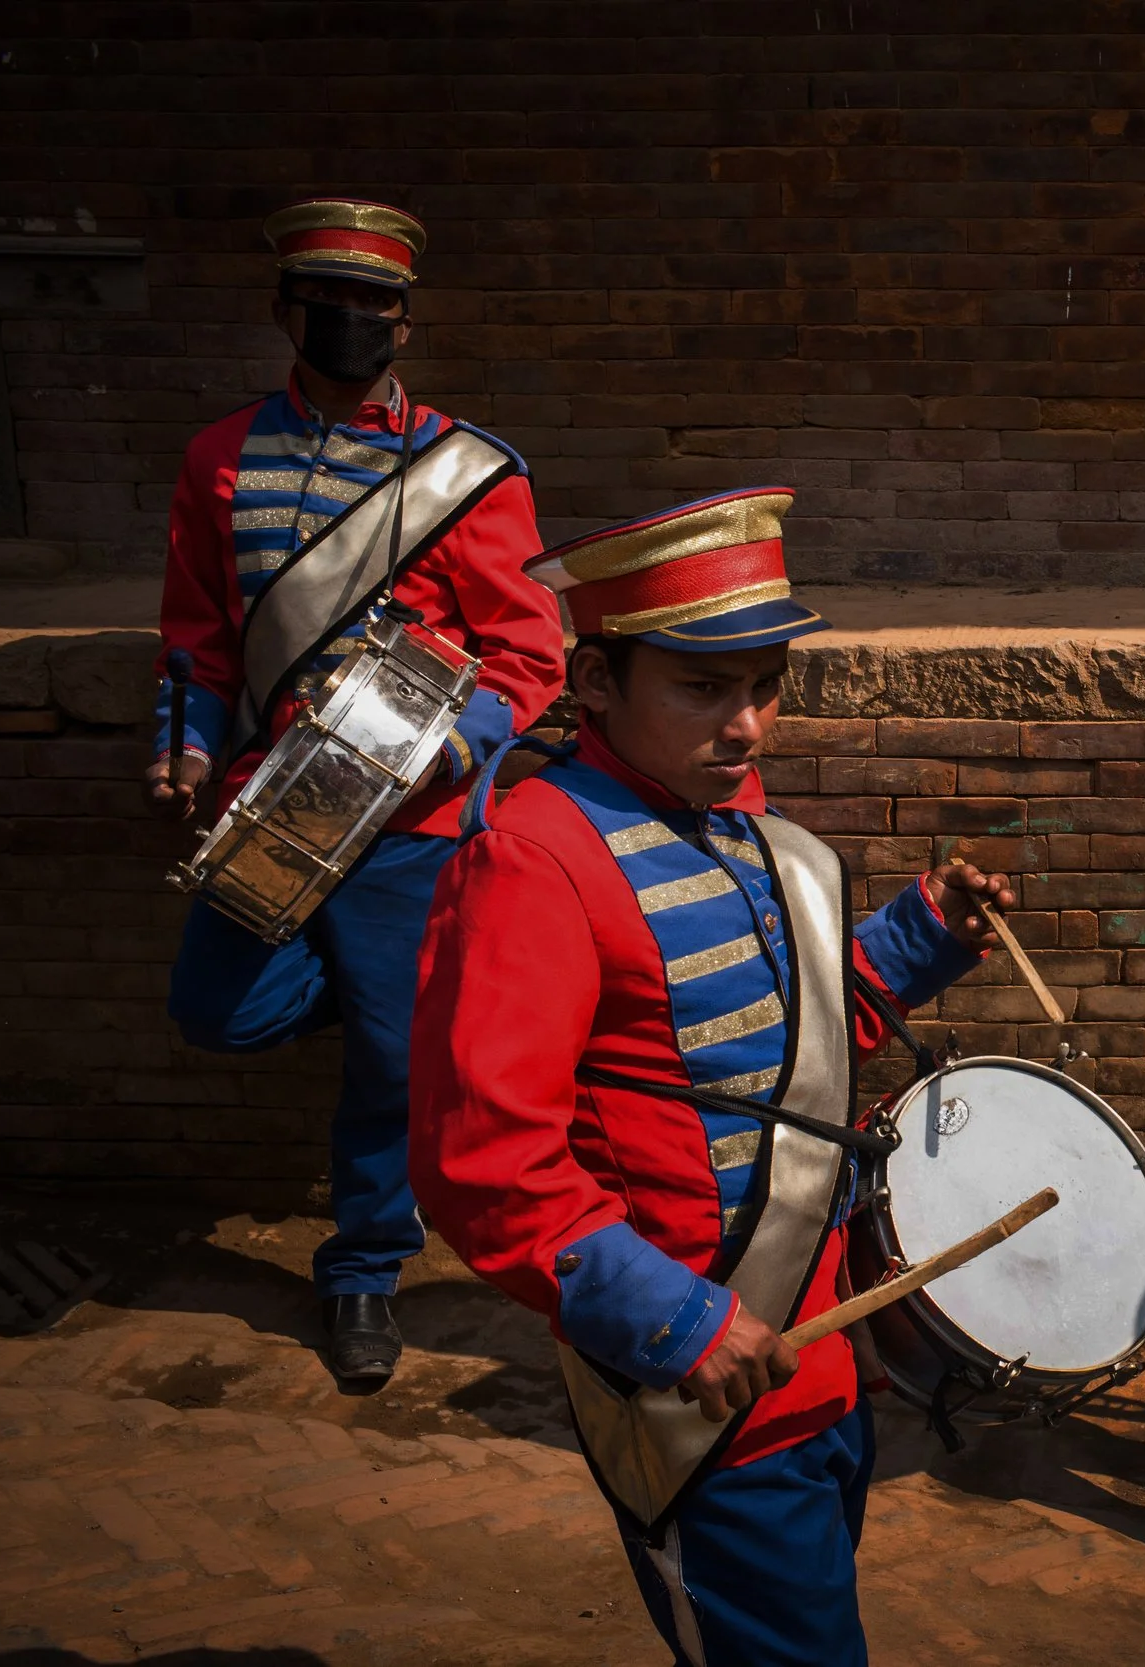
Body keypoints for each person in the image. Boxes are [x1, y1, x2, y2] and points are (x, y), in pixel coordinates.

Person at [409, 486, 1013, 1667]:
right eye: (701, 687)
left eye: (764, 686)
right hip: (701, 1391)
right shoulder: (530, 861)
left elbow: (790, 1052)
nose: (744, 726)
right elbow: (484, 1166)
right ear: (594, 684)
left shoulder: (740, 818)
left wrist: (921, 932)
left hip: (828, 1361)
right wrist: (676, 1319)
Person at [148, 197, 564, 1390]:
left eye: (375, 304)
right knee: (216, 1012)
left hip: (410, 819)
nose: (354, 321)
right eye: (329, 302)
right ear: (287, 311)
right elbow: (197, 638)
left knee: (393, 1068)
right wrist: (181, 743)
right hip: (269, 804)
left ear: (404, 322)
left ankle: (364, 1270)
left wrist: (448, 752)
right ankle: (393, 997)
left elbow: (531, 653)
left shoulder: (468, 473)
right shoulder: (217, 458)